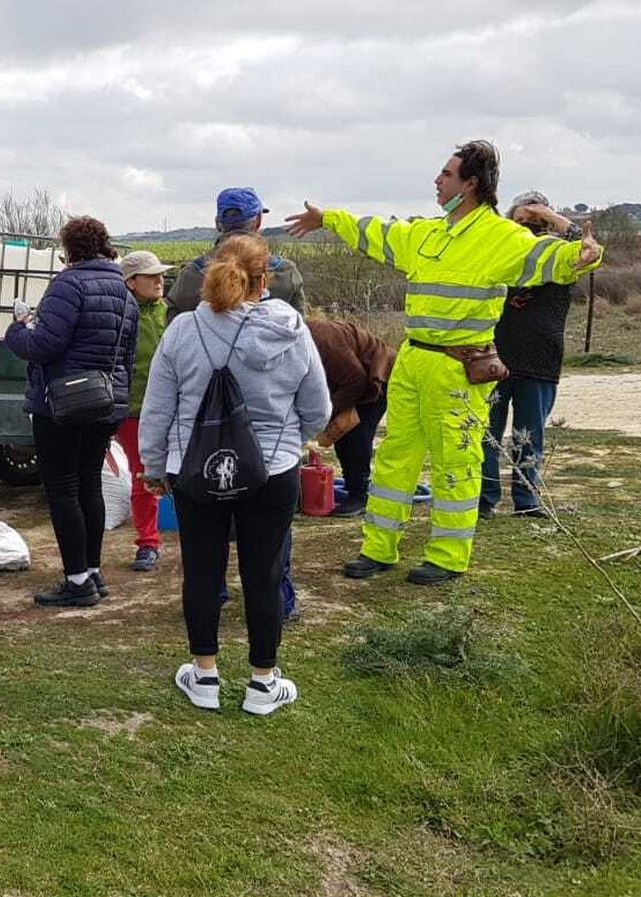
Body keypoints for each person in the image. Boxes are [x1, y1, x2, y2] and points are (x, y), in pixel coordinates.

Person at [286, 140, 604, 584]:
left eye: (447, 174)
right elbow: (377, 231)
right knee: (396, 458)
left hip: (459, 367)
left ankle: (449, 555)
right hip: (414, 360)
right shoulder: (428, 235)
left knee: (457, 461)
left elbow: (550, 259)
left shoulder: (501, 237)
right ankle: (379, 548)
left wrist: (582, 254)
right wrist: (329, 219)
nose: (438, 181)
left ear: (470, 184)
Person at [139, 233, 331, 716]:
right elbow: (318, 408)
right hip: (273, 469)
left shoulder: (182, 331)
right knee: (264, 573)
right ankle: (263, 683)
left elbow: (158, 408)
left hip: (195, 468)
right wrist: (291, 438)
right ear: (265, 279)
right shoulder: (291, 329)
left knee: (201, 572)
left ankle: (204, 675)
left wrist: (155, 466)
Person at [5, 216, 138, 607]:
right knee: (89, 485)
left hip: (61, 404)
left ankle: (76, 580)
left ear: (70, 249)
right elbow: (127, 355)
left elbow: (44, 345)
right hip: (106, 401)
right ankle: (93, 572)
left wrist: (16, 331)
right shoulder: (123, 290)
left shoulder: (68, 284)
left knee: (63, 490)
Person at [481, 190, 585, 519]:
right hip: (495, 358)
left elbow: (585, 245)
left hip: (540, 359)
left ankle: (526, 503)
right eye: (522, 222)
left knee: (529, 438)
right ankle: (483, 501)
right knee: (487, 436)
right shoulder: (501, 253)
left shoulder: (561, 257)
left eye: (537, 223)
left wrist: (551, 216)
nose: (529, 230)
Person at [115, 249, 174, 571]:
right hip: (133, 408)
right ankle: (148, 543)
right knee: (143, 474)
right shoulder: (121, 315)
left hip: (170, 408)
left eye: (161, 275)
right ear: (131, 282)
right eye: (152, 276)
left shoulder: (170, 313)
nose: (160, 281)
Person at [168, 187, 307, 318]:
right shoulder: (285, 272)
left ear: (217, 223)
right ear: (258, 221)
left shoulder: (191, 275)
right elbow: (300, 327)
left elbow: (171, 323)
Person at [306, 319, 396, 517]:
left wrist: (326, 414)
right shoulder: (296, 344)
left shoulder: (325, 343)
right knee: (342, 437)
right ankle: (352, 488)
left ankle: (359, 495)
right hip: (348, 379)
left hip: (375, 377)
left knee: (355, 436)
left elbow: (357, 381)